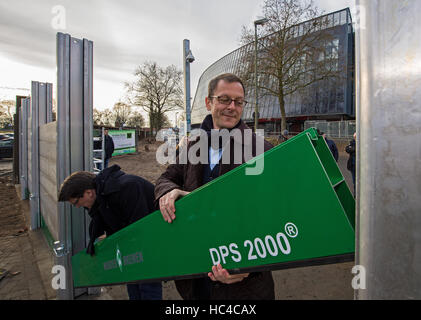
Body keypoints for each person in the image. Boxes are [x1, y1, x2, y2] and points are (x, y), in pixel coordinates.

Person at [154, 73, 275, 300]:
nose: (232, 107)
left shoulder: (261, 149)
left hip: (243, 286)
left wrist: (251, 266)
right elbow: (165, 178)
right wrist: (169, 191)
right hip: (196, 277)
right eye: (224, 99)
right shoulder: (192, 146)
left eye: (238, 102)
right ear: (209, 102)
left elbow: (275, 212)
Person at [58, 164, 162, 300]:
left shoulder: (127, 187)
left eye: (77, 202)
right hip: (134, 242)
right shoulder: (101, 197)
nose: (77, 206)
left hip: (150, 240)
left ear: (89, 192)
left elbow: (141, 228)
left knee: (147, 284)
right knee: (133, 282)